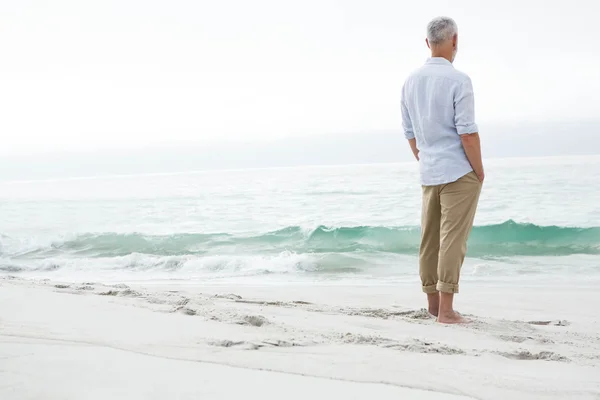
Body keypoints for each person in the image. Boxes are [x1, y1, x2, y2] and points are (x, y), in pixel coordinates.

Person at [400, 16, 484, 324]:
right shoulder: (459, 80)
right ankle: (447, 311)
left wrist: (424, 159)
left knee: (430, 238)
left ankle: (433, 306)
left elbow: (409, 132)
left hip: (430, 171)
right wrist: (479, 170)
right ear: (455, 41)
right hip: (458, 169)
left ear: (427, 43)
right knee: (452, 240)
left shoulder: (410, 80)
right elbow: (467, 133)